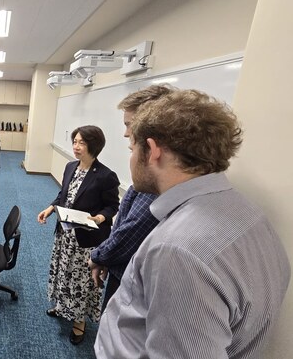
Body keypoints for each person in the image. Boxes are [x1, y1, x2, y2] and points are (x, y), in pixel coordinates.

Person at [95, 89, 291, 358]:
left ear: (152, 151)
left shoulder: (177, 251)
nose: (130, 157)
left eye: (132, 148)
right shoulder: (249, 215)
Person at [88, 85, 174, 310]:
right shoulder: (150, 177)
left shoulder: (156, 181)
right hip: (121, 265)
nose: (126, 133)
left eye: (129, 124)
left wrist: (100, 256)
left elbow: (133, 228)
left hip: (131, 277)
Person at [37, 125, 120, 345]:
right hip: (65, 234)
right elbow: (62, 196)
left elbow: (112, 206)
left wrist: (100, 218)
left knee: (81, 281)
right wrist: (51, 208)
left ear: (94, 145)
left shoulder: (106, 176)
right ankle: (61, 305)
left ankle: (79, 322)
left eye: (81, 142)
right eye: (74, 141)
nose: (76, 146)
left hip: (85, 239)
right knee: (63, 272)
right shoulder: (70, 167)